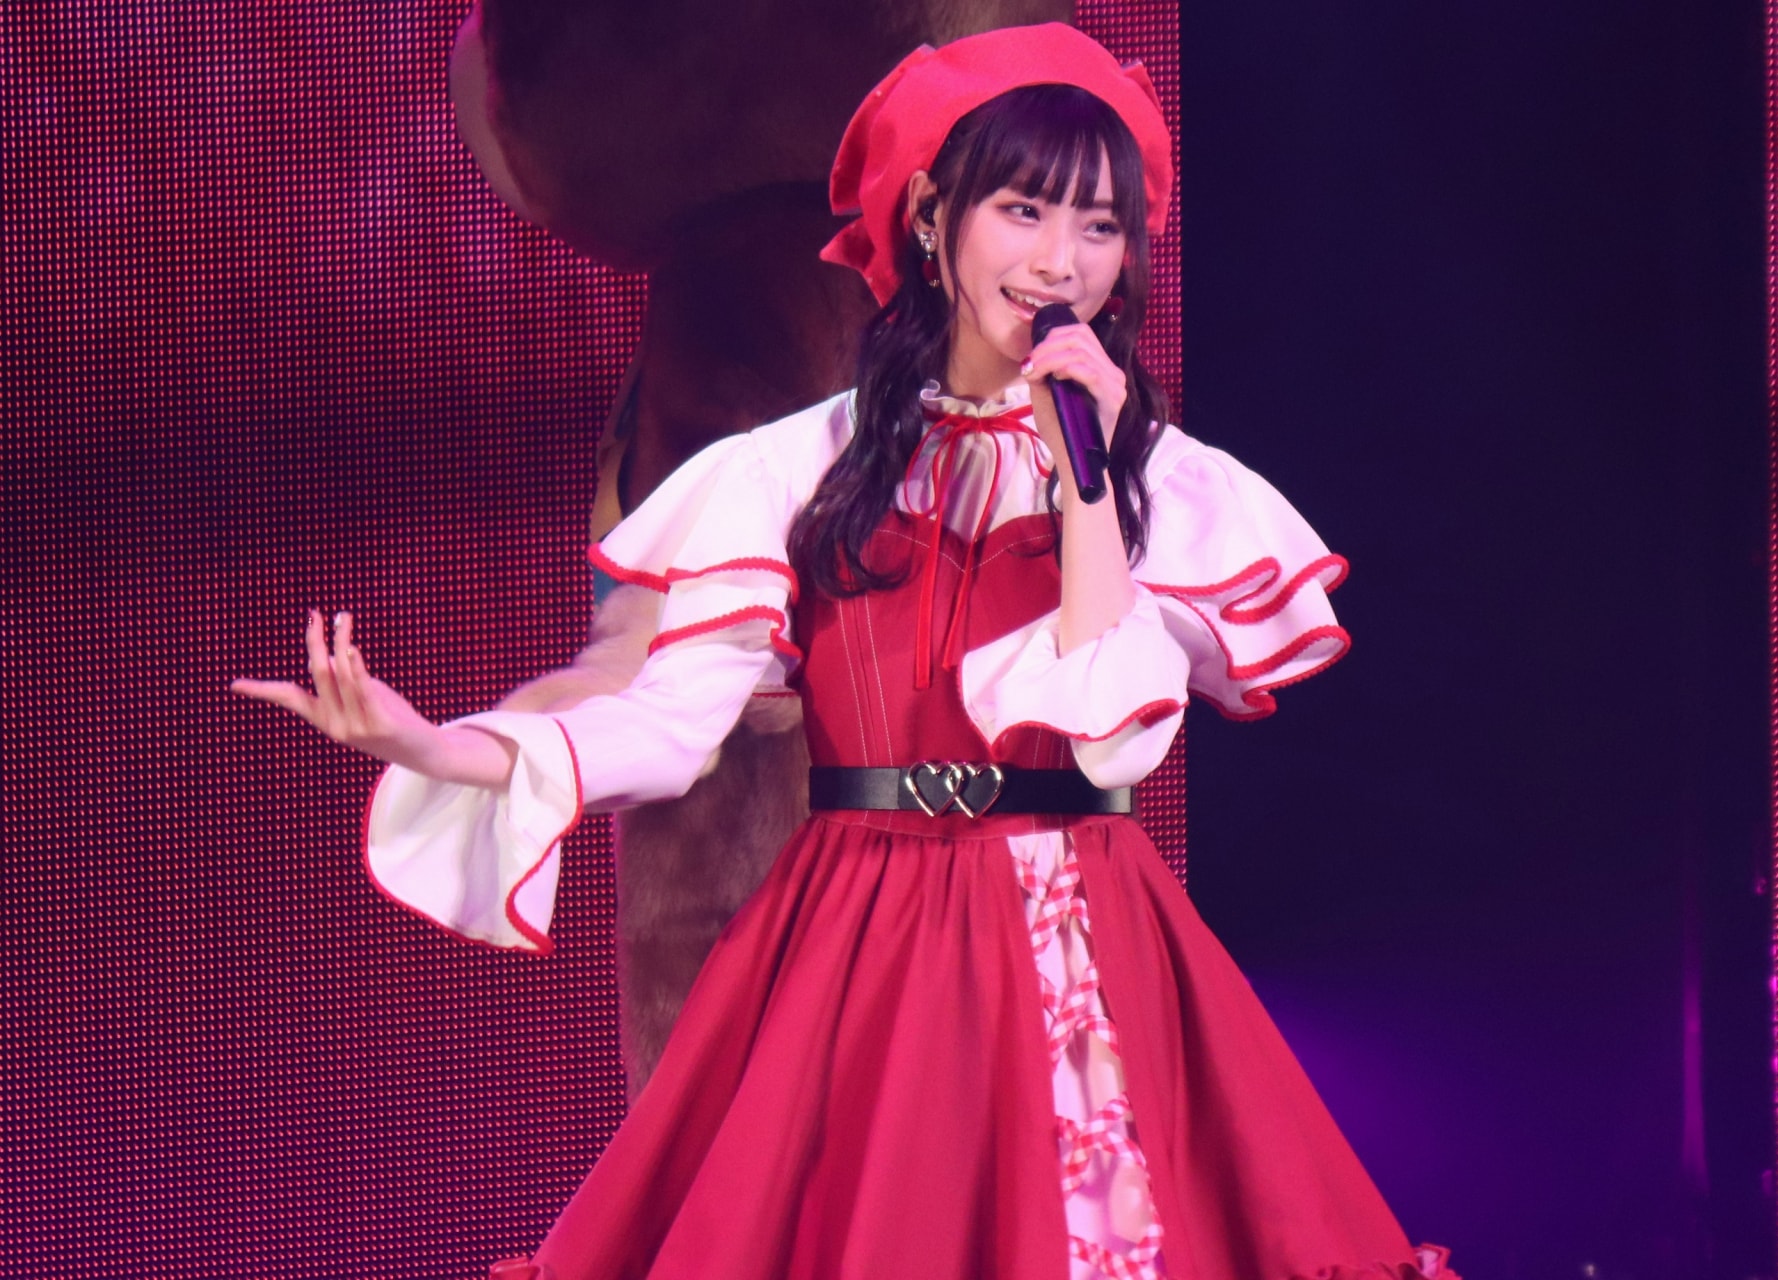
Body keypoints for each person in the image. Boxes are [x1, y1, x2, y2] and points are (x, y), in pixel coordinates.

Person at [233, 23, 1455, 1280]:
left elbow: (1110, 733)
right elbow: (668, 721)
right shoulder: (795, 468)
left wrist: (1086, 469)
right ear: (930, 217)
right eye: (1024, 210)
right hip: (863, 934)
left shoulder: (1163, 482)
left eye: (1099, 225)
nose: (1062, 261)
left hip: (1084, 926)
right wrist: (443, 745)